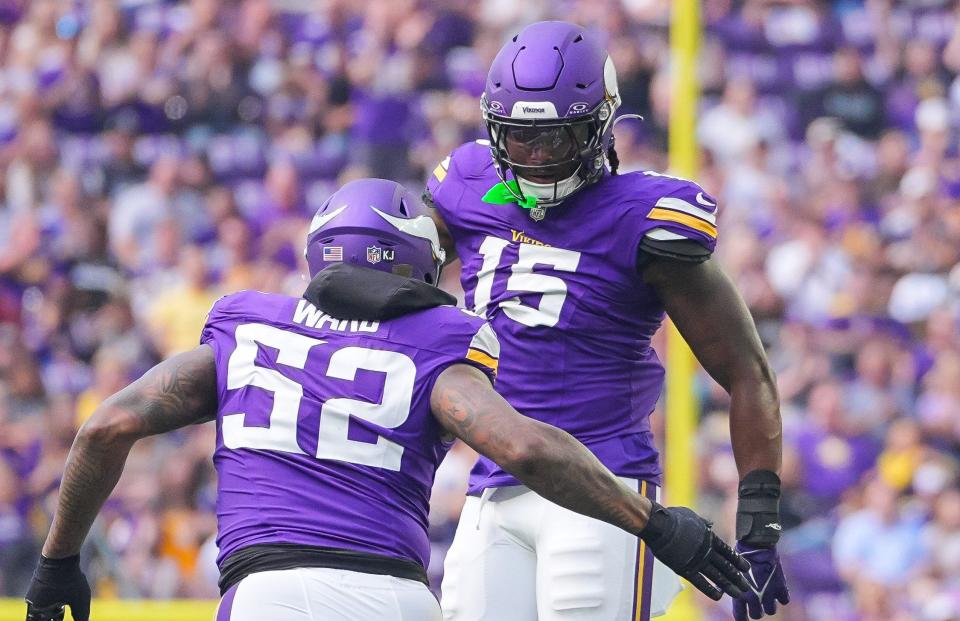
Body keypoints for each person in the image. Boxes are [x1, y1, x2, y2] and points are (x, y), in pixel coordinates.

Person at [24, 179, 748, 621]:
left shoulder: (245, 327)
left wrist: (58, 561)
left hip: (272, 590)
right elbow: (526, 446)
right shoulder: (438, 341)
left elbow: (105, 427)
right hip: (400, 598)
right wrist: (654, 522)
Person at [424, 22, 788, 621]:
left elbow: (746, 371)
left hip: (607, 486)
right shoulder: (464, 186)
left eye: (556, 138)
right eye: (520, 138)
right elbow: (401, 293)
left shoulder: (645, 217)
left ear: (599, 126)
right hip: (494, 481)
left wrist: (760, 519)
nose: (536, 158)